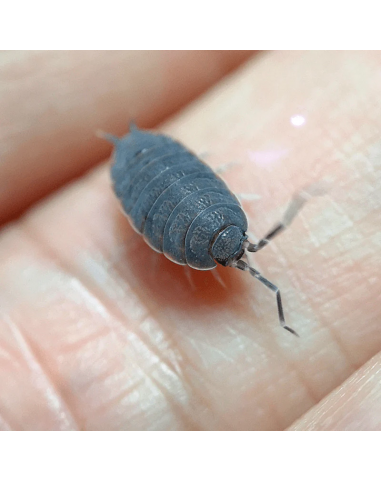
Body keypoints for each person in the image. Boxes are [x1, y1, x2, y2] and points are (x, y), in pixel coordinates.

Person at [0, 50, 379, 430]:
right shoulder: (203, 238)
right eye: (241, 249)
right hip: (145, 166)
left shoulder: (220, 223)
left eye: (238, 253)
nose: (241, 255)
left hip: (156, 173)